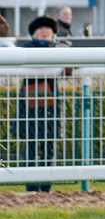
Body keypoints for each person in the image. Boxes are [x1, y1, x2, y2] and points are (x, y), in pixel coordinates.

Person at [15, 16, 64, 192]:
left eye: (48, 29)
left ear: (53, 35)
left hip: (51, 105)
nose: (44, 31)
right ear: (34, 34)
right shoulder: (26, 49)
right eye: (40, 28)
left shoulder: (60, 49)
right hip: (29, 106)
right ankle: (31, 188)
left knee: (49, 147)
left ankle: (46, 187)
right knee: (30, 146)